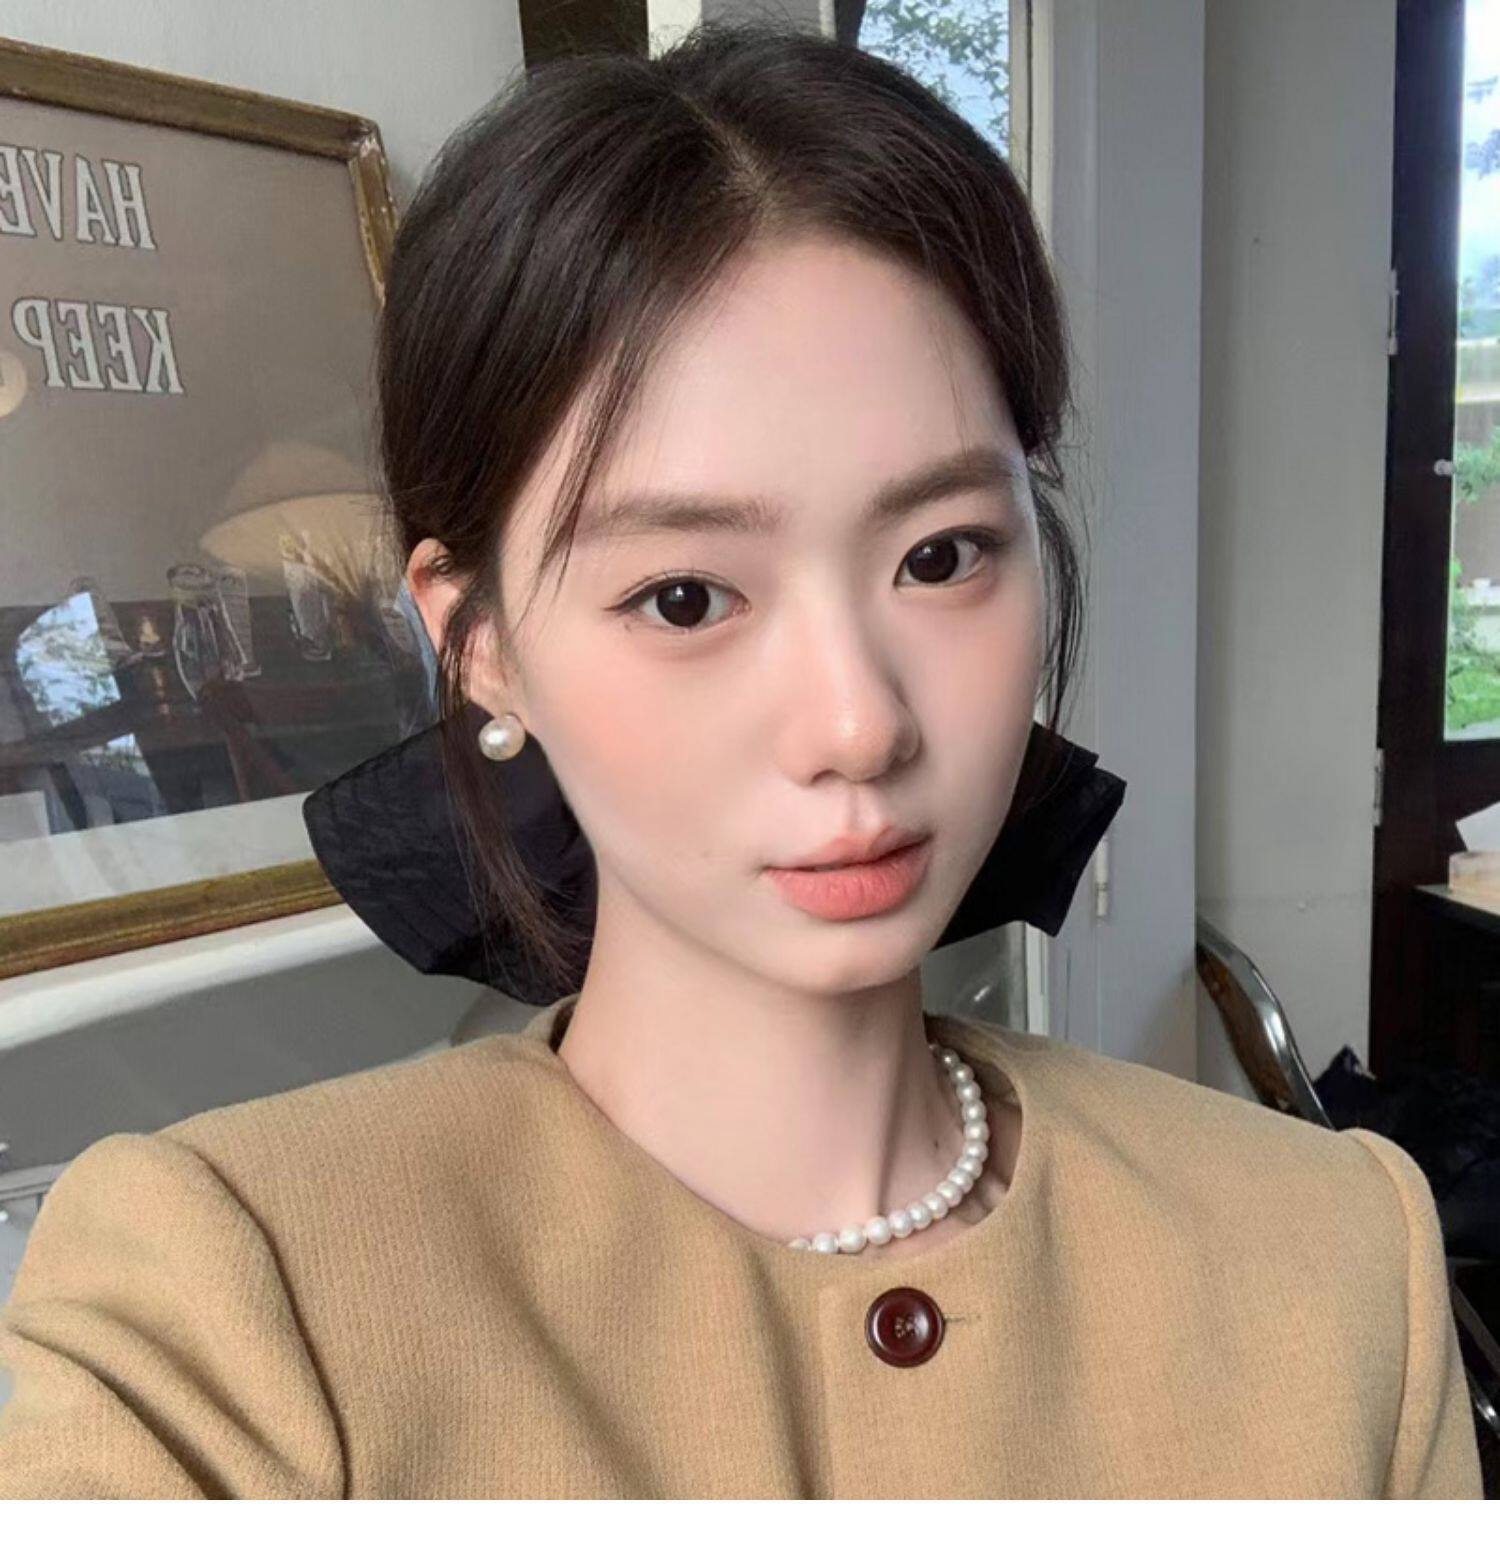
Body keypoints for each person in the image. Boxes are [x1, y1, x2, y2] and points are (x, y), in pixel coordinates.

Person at [0, 19, 1482, 1500]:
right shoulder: (228, 1320)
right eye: (685, 598)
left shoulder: (1339, 1256)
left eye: (941, 554)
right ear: (480, 642)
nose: (857, 724)